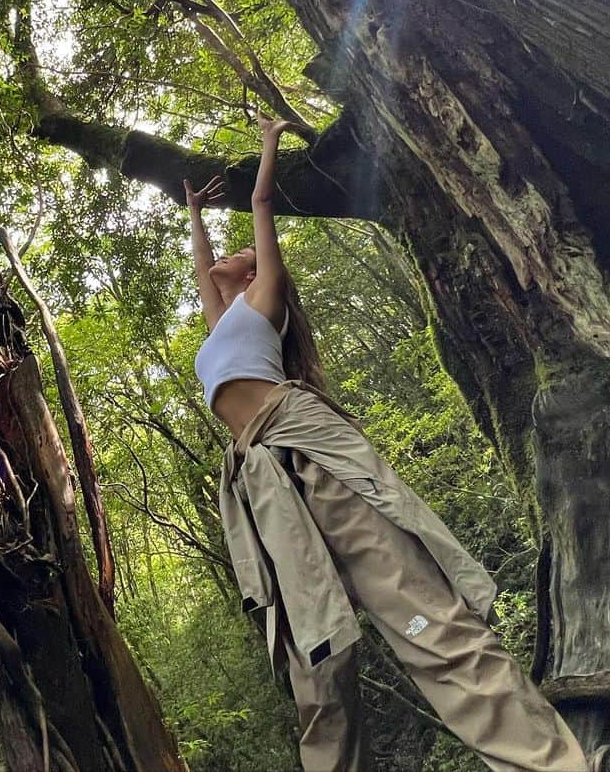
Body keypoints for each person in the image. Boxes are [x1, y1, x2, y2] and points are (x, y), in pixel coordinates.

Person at [185, 113, 598, 772]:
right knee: (315, 664)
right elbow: (203, 267)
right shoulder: (220, 322)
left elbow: (262, 200)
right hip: (268, 489)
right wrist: (193, 212)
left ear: (261, 269)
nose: (228, 256)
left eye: (241, 250)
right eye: (224, 257)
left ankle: (551, 763)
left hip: (310, 457)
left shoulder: (266, 299)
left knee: (423, 617)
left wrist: (268, 140)